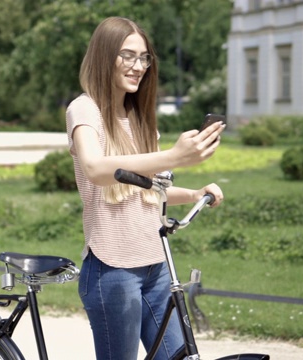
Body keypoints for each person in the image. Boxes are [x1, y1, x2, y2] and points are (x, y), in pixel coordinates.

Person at [65, 16, 225, 360]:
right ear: (104, 56)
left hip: (156, 264)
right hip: (112, 269)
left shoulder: (139, 121)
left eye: (144, 58)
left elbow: (152, 191)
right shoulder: (84, 109)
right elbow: (95, 168)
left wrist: (195, 194)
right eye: (128, 56)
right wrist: (174, 155)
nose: (138, 66)